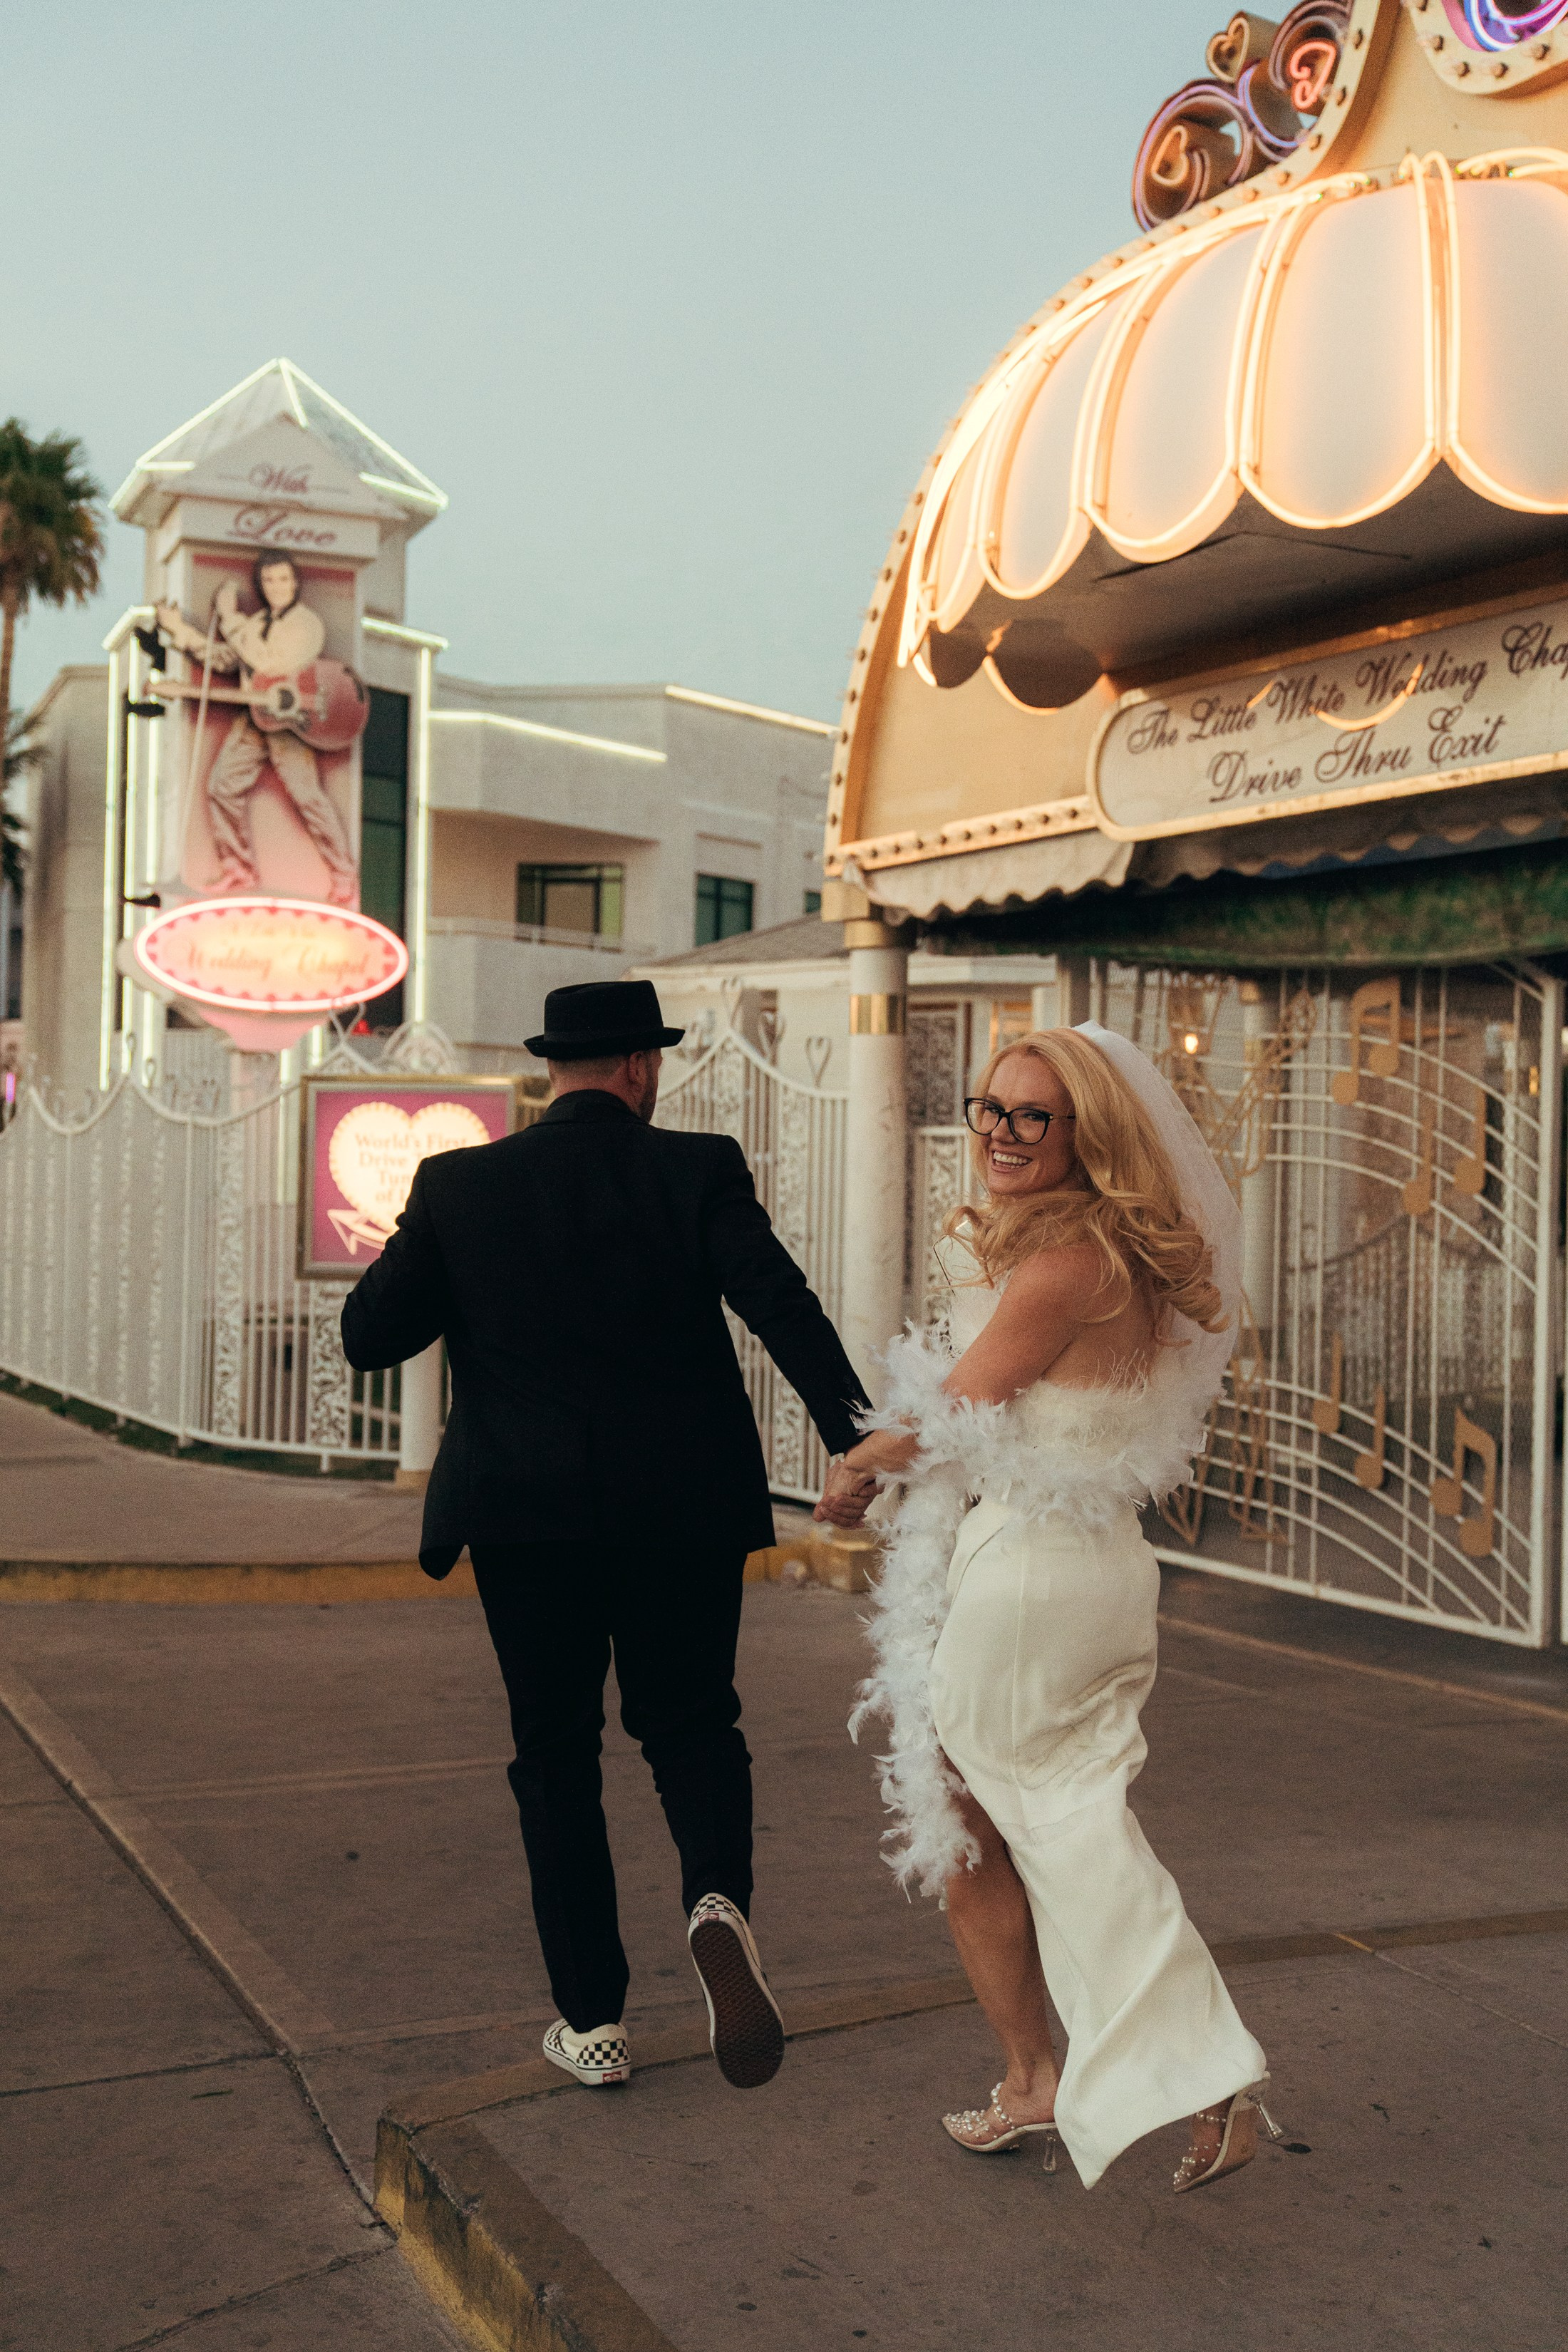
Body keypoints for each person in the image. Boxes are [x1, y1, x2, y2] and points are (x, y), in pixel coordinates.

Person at [341, 979, 871, 2094]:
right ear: (640, 1068)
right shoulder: (696, 1169)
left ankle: (592, 2023)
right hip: (679, 1509)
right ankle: (715, 1899)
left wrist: (444, 1253)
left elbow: (369, 1336)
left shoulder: (461, 1184)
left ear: (554, 1069)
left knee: (555, 1755)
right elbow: (784, 1305)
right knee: (690, 1723)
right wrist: (855, 1442)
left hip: (525, 1517)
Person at [817, 1023, 1279, 2193]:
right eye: (991, 1109)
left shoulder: (1072, 1263)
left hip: (1034, 1579)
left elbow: (955, 1414)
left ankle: (1209, 2073)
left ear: (1088, 1137)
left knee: (1062, 1822)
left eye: (1034, 1117)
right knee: (977, 1821)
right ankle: (1032, 2082)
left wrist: (856, 1468)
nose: (1002, 1135)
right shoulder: (1094, 1251)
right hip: (1066, 1564)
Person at [156, 550, 358, 904]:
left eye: (283, 579)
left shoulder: (306, 624)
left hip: (291, 724)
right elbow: (226, 658)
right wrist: (179, 631)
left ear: (295, 583)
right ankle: (239, 869)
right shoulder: (254, 625)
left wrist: (231, 617)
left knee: (308, 798)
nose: (276, 587)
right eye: (269, 581)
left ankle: (343, 873)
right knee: (221, 786)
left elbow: (267, 663)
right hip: (256, 718)